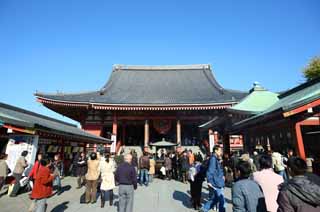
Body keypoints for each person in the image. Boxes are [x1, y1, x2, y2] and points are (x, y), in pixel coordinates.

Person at [200, 146, 226, 212]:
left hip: (217, 181)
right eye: (220, 150)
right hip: (216, 182)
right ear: (216, 151)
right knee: (222, 201)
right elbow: (210, 171)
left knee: (214, 199)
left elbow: (216, 171)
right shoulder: (213, 159)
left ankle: (204, 209)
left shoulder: (216, 159)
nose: (221, 152)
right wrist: (209, 181)